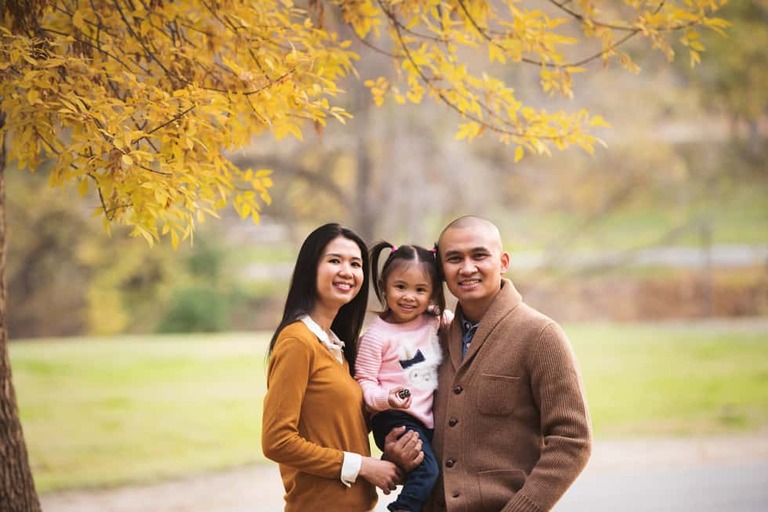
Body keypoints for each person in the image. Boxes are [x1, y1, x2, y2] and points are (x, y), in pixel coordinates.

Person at [425, 215, 592, 512]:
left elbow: (572, 440)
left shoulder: (541, 335)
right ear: (441, 269)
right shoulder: (433, 338)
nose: (467, 268)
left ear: (502, 262)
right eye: (454, 258)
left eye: (479, 255)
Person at [262, 223, 406, 512]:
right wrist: (361, 466)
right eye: (334, 261)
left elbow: (335, 430)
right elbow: (277, 441)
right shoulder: (298, 341)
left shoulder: (336, 346)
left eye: (355, 264)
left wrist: (386, 450)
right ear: (310, 268)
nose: (347, 271)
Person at [355, 242, 453, 512]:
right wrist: (386, 398)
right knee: (427, 473)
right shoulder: (377, 336)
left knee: (434, 476)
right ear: (383, 284)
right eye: (401, 287)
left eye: (420, 290)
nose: (410, 296)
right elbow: (364, 381)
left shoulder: (436, 321)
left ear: (432, 293)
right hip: (393, 417)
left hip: (424, 417)